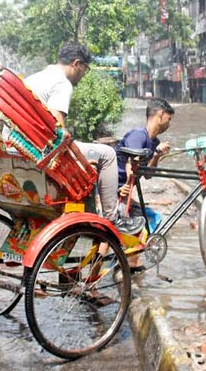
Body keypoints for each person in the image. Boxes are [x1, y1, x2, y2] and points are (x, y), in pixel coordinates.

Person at [23, 42, 119, 221]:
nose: (83, 75)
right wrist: (78, 162)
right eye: (85, 69)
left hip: (25, 146)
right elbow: (57, 132)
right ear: (76, 64)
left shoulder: (33, 78)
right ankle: (112, 219)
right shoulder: (62, 83)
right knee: (108, 154)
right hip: (43, 151)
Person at [114, 98, 174, 270]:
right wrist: (124, 189)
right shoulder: (138, 135)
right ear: (160, 114)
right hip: (116, 189)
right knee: (135, 223)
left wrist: (156, 156)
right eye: (169, 119)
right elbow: (131, 166)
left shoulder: (153, 142)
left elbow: (147, 175)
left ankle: (131, 262)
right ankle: (125, 262)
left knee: (153, 218)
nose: (169, 124)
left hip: (125, 190)